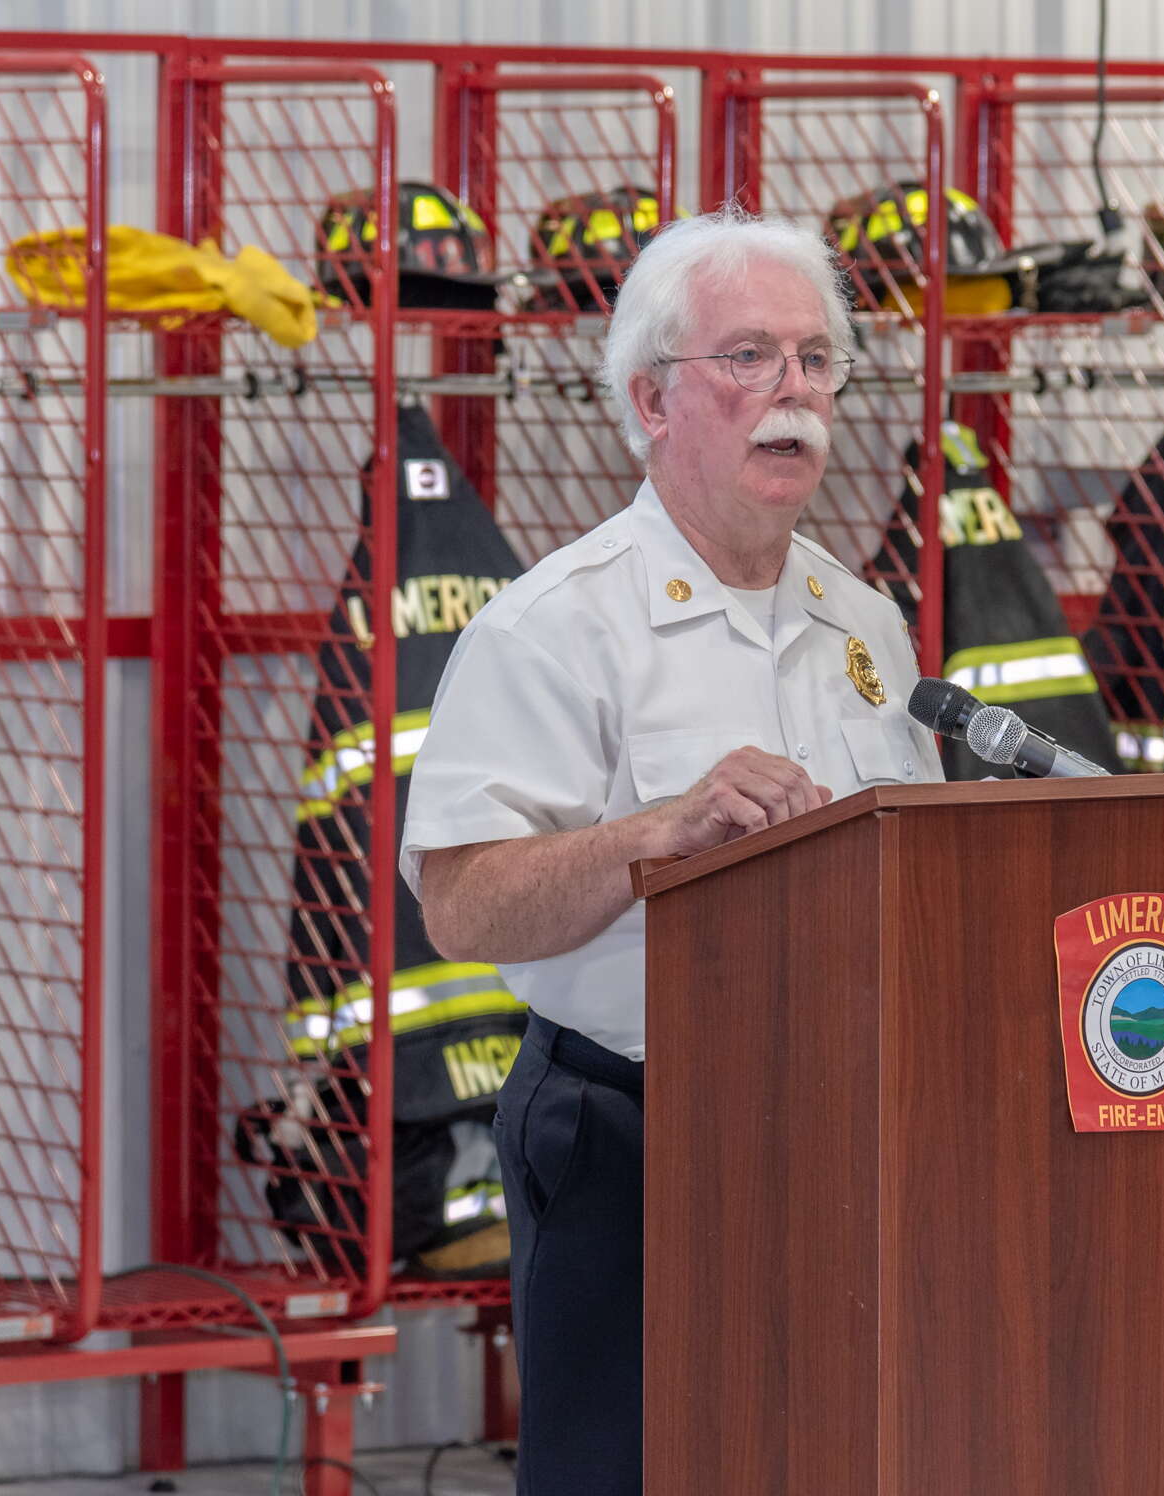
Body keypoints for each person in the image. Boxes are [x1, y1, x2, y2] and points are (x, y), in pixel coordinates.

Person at [401, 208, 943, 1495]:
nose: (794, 396)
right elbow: (460, 903)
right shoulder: (555, 627)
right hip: (632, 1133)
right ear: (650, 398)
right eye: (749, 357)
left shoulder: (865, 623)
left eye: (816, 361)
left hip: (845, 1127)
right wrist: (656, 836)